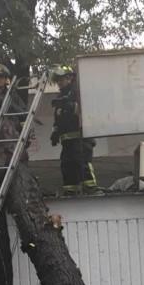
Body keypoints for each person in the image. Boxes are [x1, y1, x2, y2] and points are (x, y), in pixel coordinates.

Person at [49, 65, 97, 194]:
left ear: (69, 78)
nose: (59, 83)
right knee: (67, 166)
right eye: (57, 80)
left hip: (81, 138)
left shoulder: (78, 91)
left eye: (61, 79)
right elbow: (59, 116)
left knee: (82, 164)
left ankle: (90, 188)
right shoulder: (62, 96)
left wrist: (70, 106)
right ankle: (70, 191)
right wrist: (55, 131)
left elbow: (87, 110)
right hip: (67, 141)